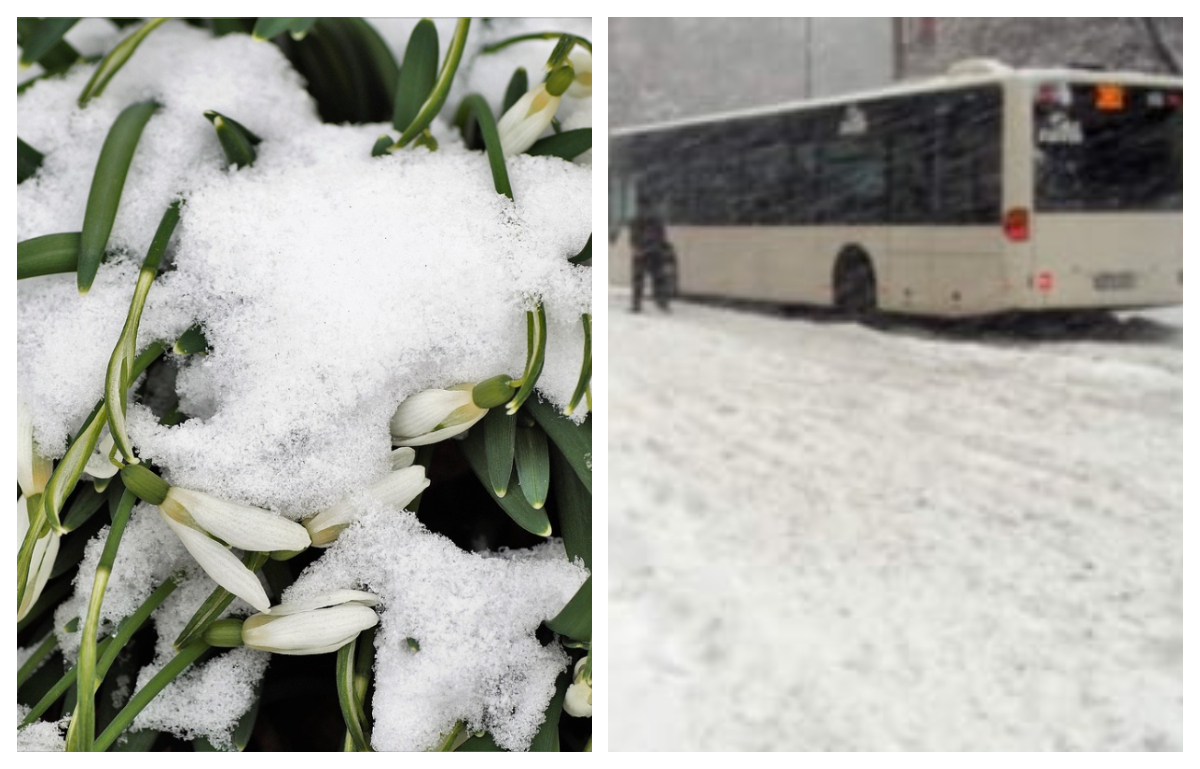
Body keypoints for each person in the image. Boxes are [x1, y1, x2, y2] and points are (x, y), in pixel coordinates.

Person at [630, 216, 676, 313]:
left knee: (639, 281)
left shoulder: (636, 221)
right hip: (655, 254)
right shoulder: (657, 222)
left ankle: (637, 305)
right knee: (658, 280)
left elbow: (633, 239)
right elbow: (662, 238)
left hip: (642, 255)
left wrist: (637, 249)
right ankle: (662, 303)